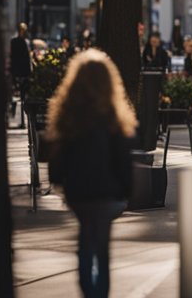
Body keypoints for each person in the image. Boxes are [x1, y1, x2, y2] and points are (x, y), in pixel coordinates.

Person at [45, 49, 136, 298]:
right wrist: (127, 189)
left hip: (79, 192)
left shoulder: (69, 117)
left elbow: (57, 153)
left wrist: (58, 180)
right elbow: (122, 158)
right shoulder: (113, 117)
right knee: (102, 246)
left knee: (86, 236)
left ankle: (88, 290)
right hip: (107, 193)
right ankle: (100, 292)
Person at [10, 22, 33, 126]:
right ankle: (19, 120)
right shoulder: (19, 42)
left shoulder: (23, 42)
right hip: (19, 72)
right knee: (20, 97)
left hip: (20, 72)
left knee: (22, 97)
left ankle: (22, 121)